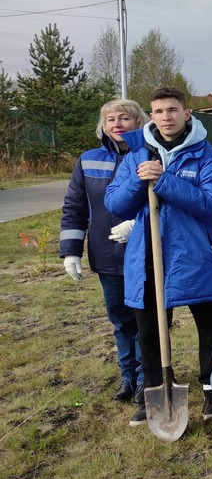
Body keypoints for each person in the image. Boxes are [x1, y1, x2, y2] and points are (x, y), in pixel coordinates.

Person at [104, 86, 212, 426]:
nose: (165, 117)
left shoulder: (209, 156)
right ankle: (156, 391)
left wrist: (163, 181)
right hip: (147, 256)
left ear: (187, 113)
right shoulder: (135, 156)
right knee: (149, 332)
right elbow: (114, 204)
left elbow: (210, 204)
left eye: (172, 110)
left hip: (198, 255)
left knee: (210, 329)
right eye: (158, 111)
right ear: (152, 115)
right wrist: (138, 180)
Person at [61, 99, 149, 403]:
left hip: (146, 255)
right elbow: (74, 207)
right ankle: (128, 376)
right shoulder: (88, 161)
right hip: (106, 255)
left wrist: (138, 227)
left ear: (140, 122)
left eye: (124, 118)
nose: (117, 124)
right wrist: (70, 250)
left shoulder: (150, 155)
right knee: (121, 321)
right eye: (111, 119)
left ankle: (146, 379)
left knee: (144, 320)